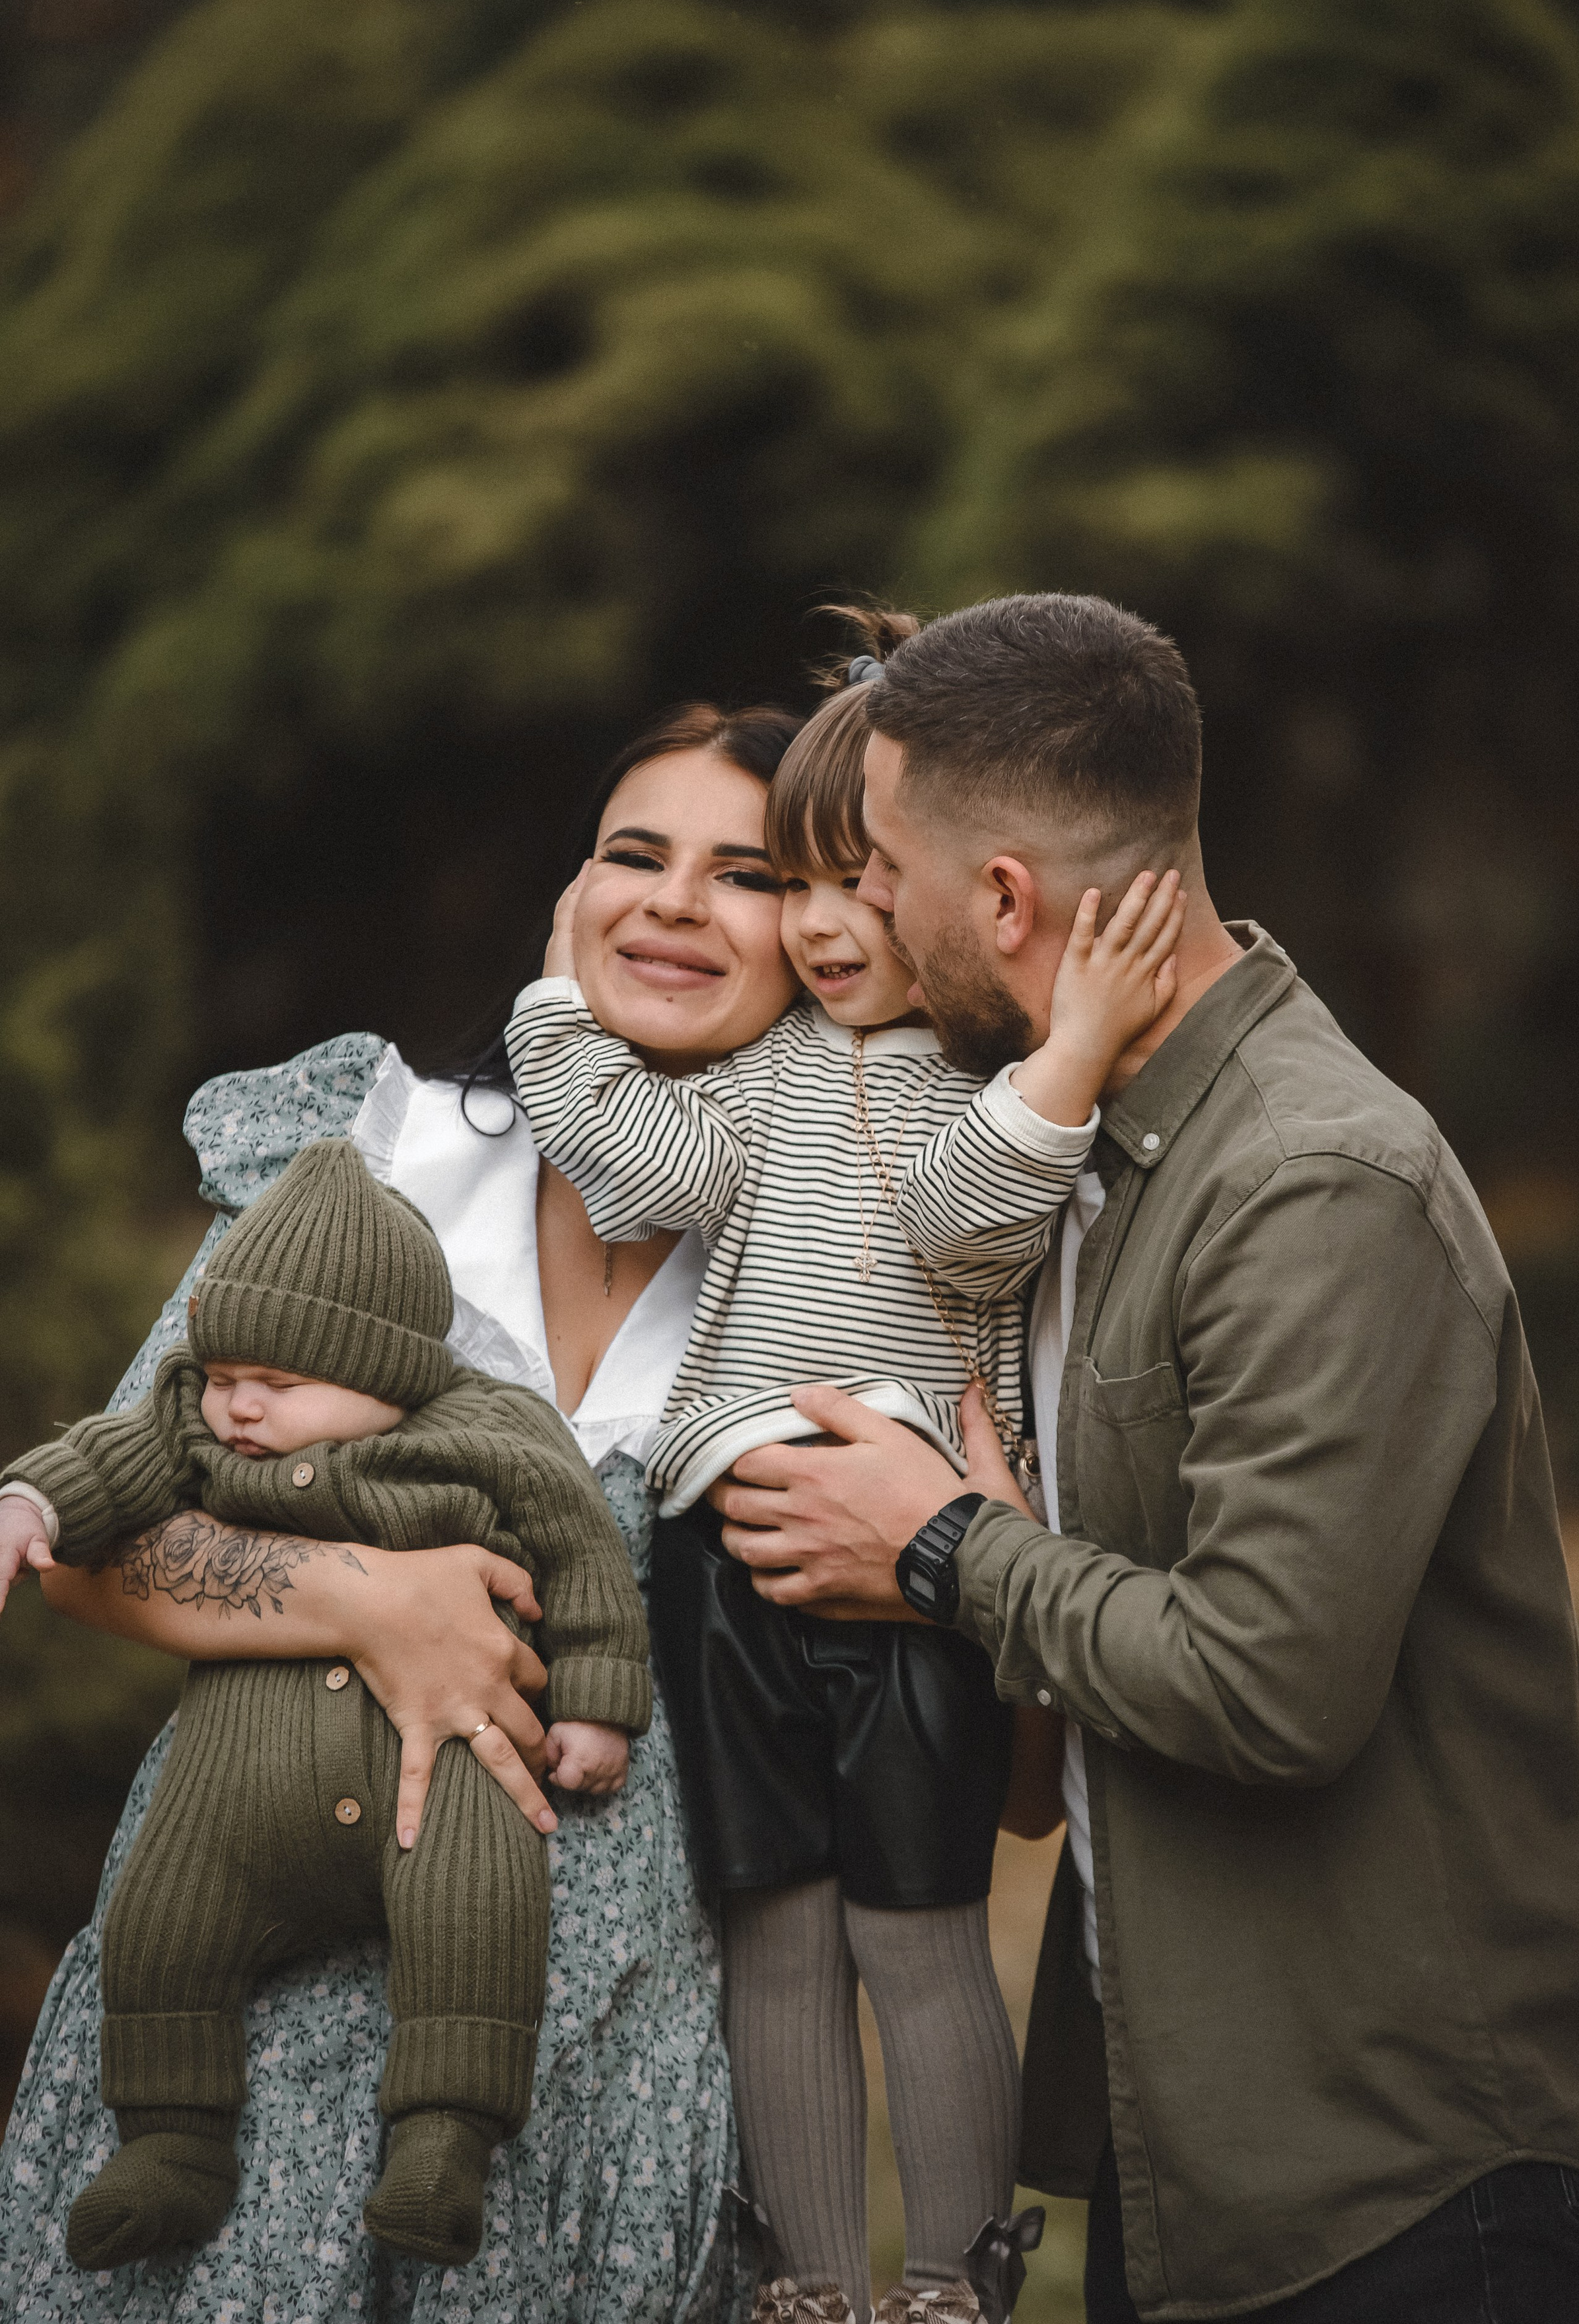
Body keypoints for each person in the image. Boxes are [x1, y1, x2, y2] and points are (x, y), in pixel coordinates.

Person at [701, 594, 1579, 2324]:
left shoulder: (1311, 1183)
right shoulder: (1110, 1153)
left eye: (891, 876)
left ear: (1004, 899)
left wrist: (942, 1548)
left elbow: (1272, 1680)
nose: (874, 927)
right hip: (1201, 2150)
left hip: (1398, 2190)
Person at [0, 700, 799, 2324]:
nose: (671, 902)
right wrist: (366, 1596)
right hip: (259, 1986)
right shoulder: (375, 1167)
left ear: (832, 932)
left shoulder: (826, 1254)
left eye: (745, 873)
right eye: (631, 854)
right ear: (567, 898)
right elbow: (98, 1538)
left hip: (600, 2022)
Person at [505, 631, 1185, 2324]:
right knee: (776, 1937)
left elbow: (970, 1212)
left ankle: (953, 2280)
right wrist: (553, 994)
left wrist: (1066, 1056)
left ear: (942, 895)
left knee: (920, 1931)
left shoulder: (982, 1081)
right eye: (792, 887)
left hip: (906, 1562)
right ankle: (812, 2278)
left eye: (854, 883)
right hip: (718, 1547)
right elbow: (636, 1162)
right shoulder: (754, 1075)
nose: (816, 925)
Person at [0, 1139, 650, 2271]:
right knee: (158, 1925)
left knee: (482, 1906)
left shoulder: (489, 1435)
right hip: (231, 1799)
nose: (239, 1407)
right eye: (223, 1375)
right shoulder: (197, 1423)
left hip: (439, 1770)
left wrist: (597, 1705)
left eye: (281, 1386)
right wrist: (29, 1501)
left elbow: (585, 1558)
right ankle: (171, 2145)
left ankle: (444, 2138)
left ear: (385, 1370)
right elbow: (113, 1456)